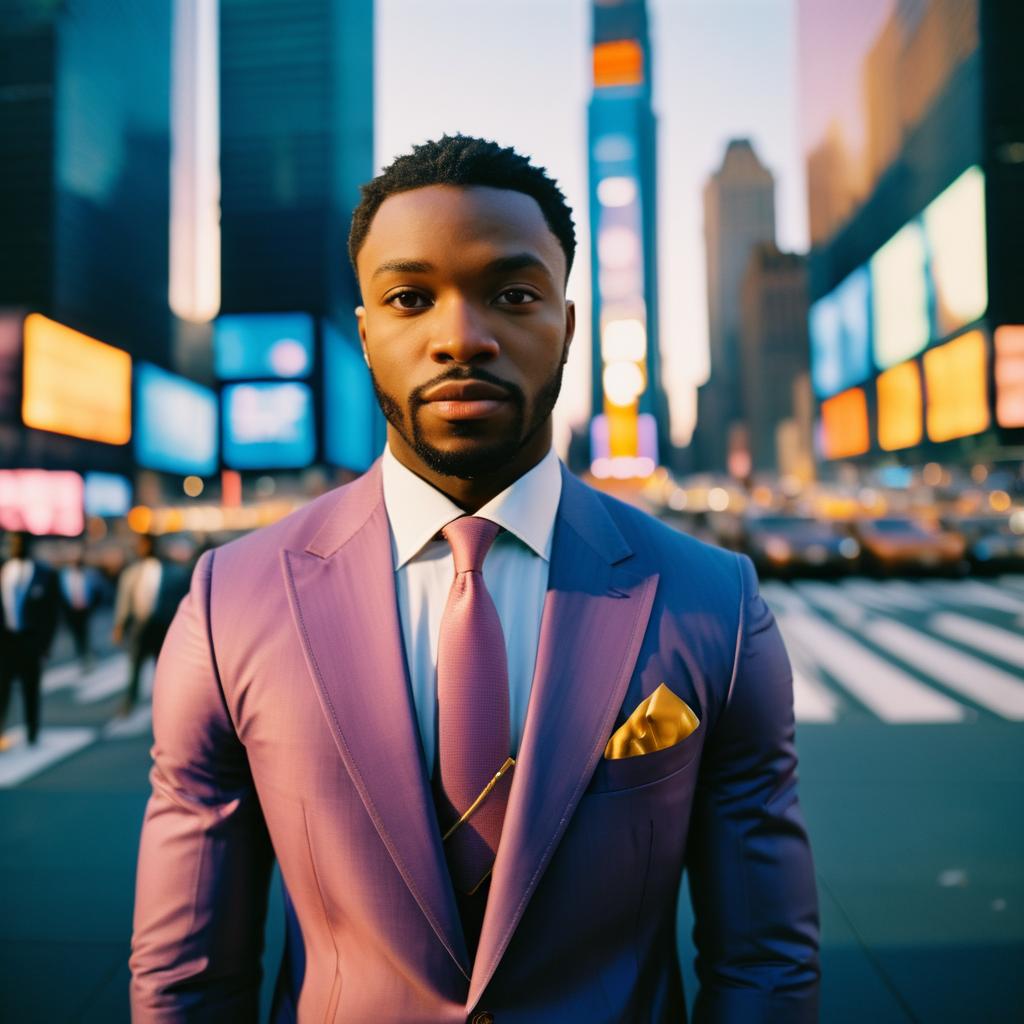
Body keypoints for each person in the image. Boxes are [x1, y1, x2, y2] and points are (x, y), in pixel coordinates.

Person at [130, 135, 820, 1022]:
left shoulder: (713, 603)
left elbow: (765, 963)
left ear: (568, 327)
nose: (462, 337)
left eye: (514, 293)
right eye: (411, 298)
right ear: (367, 333)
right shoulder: (233, 602)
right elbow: (185, 978)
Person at [112, 534, 188, 717]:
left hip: (163, 625)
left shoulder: (174, 572)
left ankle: (166, 704)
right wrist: (120, 624)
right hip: (140, 626)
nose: (143, 548)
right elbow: (125, 600)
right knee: (135, 665)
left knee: (162, 668)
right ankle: (129, 702)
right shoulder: (132, 572)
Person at [0, 531, 60, 749]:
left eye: (20, 542)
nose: (16, 546)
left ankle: (32, 732)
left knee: (31, 690)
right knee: (2, 689)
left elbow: (52, 613)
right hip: (5, 641)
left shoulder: (45, 574)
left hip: (31, 641)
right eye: (12, 542)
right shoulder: (3, 570)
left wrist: (45, 645)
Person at [59, 547, 104, 672]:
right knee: (77, 636)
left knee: (86, 635)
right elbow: (61, 595)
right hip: (72, 612)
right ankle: (81, 657)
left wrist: (93, 607)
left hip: (85, 611)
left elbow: (98, 591)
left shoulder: (89, 574)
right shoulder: (64, 575)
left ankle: (87, 656)